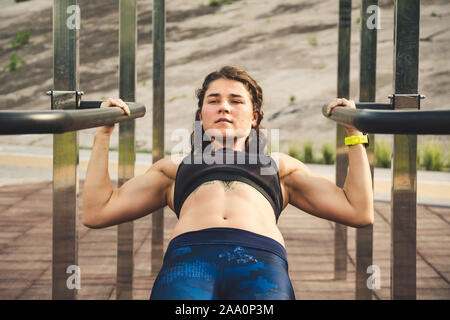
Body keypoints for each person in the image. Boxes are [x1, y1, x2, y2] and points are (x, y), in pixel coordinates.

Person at [82, 65, 374, 300]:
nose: (224, 107)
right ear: (201, 116)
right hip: (189, 261)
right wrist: (103, 135)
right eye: (214, 100)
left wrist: (354, 133)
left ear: (254, 117)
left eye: (236, 101)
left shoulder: (279, 166)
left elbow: (358, 211)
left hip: (260, 262)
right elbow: (98, 212)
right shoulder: (175, 166)